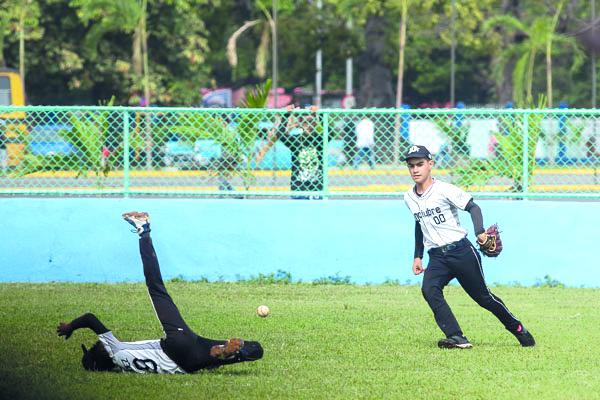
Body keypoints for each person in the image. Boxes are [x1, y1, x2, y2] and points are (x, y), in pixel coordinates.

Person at [56, 211, 263, 373]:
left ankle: (228, 353)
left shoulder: (124, 368)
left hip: (185, 365)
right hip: (175, 346)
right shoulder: (113, 349)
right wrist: (70, 327)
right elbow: (90, 319)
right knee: (156, 288)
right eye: (94, 349)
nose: (95, 345)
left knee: (234, 352)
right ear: (98, 356)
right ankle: (143, 228)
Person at [403, 145, 535, 349]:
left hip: (461, 252)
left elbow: (473, 207)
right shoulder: (409, 197)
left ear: (430, 164)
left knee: (484, 298)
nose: (415, 169)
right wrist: (417, 256)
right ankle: (456, 337)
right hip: (437, 256)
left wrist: (480, 232)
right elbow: (419, 224)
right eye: (411, 166)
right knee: (429, 289)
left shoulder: (444, 190)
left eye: (420, 164)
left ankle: (517, 328)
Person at [255, 105, 324, 199]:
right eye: (305, 122)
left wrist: (320, 115)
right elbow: (281, 134)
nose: (308, 125)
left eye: (311, 122)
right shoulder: (296, 140)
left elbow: (330, 132)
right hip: (299, 187)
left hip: (317, 188)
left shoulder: (320, 140)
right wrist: (286, 116)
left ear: (315, 124)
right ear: (300, 125)